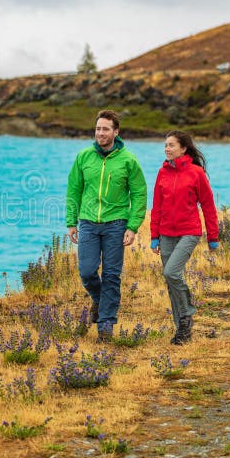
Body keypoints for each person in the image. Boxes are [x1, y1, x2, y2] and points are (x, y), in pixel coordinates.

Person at [66, 109, 148, 341]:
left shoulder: (128, 160)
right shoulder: (83, 157)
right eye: (98, 129)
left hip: (116, 224)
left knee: (112, 274)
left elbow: (139, 194)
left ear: (116, 132)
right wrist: (71, 222)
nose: (100, 133)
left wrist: (132, 226)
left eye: (105, 129)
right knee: (87, 271)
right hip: (88, 223)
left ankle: (105, 326)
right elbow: (74, 190)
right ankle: (100, 300)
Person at [150, 130, 219, 345]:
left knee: (171, 272)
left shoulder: (196, 173)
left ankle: (187, 313)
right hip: (166, 233)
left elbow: (208, 205)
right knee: (170, 281)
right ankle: (182, 330)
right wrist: (154, 235)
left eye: (171, 145)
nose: (167, 149)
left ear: (183, 148)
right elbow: (157, 206)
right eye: (165, 145)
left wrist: (212, 237)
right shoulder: (162, 173)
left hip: (189, 231)